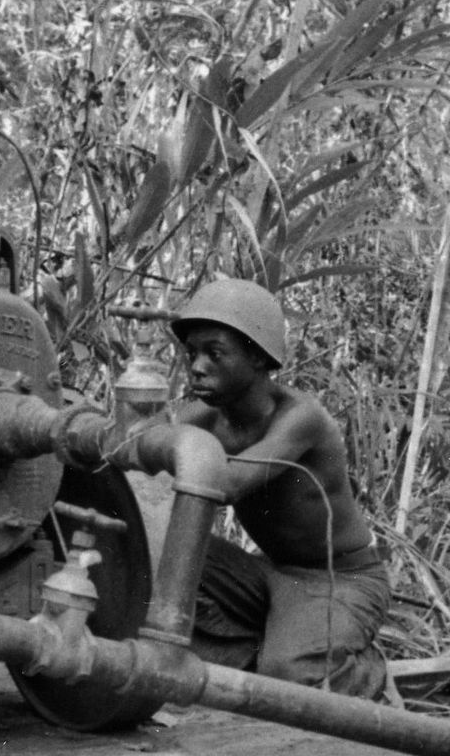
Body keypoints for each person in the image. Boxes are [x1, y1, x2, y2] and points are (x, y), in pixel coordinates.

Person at [162, 277, 390, 700]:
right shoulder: (201, 419)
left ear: (257, 357)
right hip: (272, 574)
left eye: (215, 354)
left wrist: (162, 447)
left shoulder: (300, 418)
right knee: (155, 550)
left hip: (341, 580)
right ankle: (275, 645)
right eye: (192, 353)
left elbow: (227, 484)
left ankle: (367, 678)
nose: (196, 366)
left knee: (290, 677)